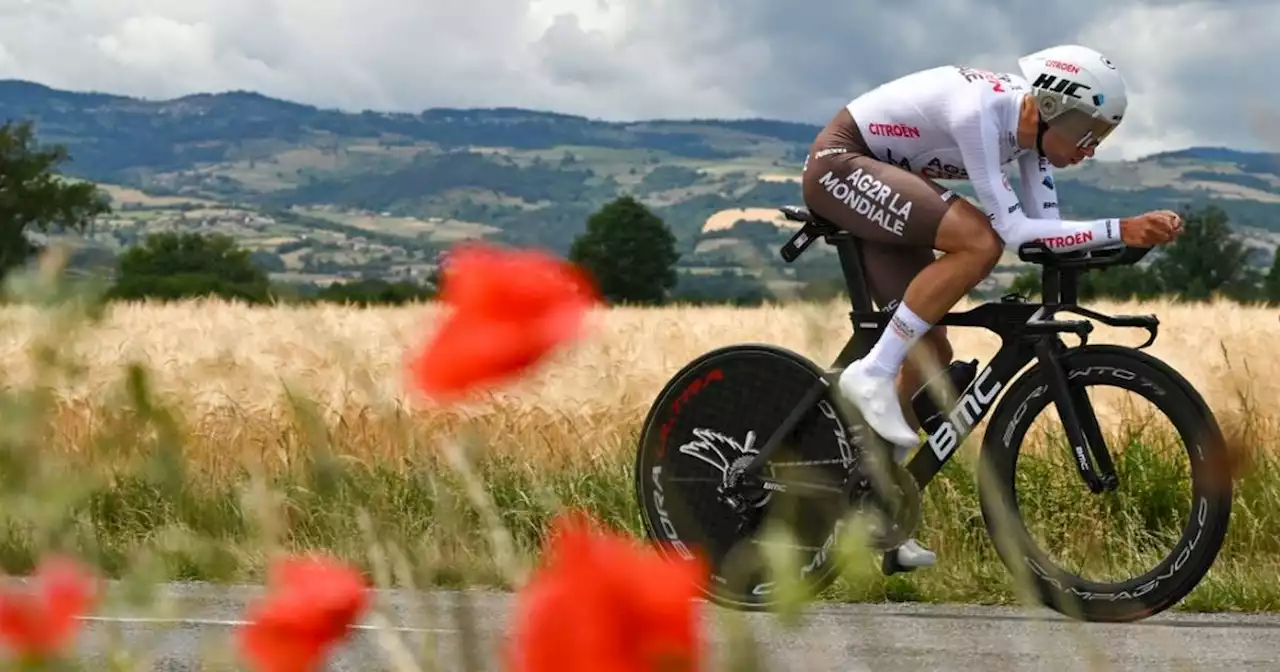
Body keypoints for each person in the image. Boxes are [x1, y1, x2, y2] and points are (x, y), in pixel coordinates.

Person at [799, 44, 1184, 572]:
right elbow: (1011, 232)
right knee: (978, 240)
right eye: (1090, 133)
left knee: (930, 353)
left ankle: (876, 511)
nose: (1091, 149)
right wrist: (1121, 226)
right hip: (840, 165)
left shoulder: (1031, 143)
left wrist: (1129, 243)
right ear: (1054, 108)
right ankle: (872, 371)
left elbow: (1043, 238)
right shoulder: (982, 110)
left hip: (885, 180)